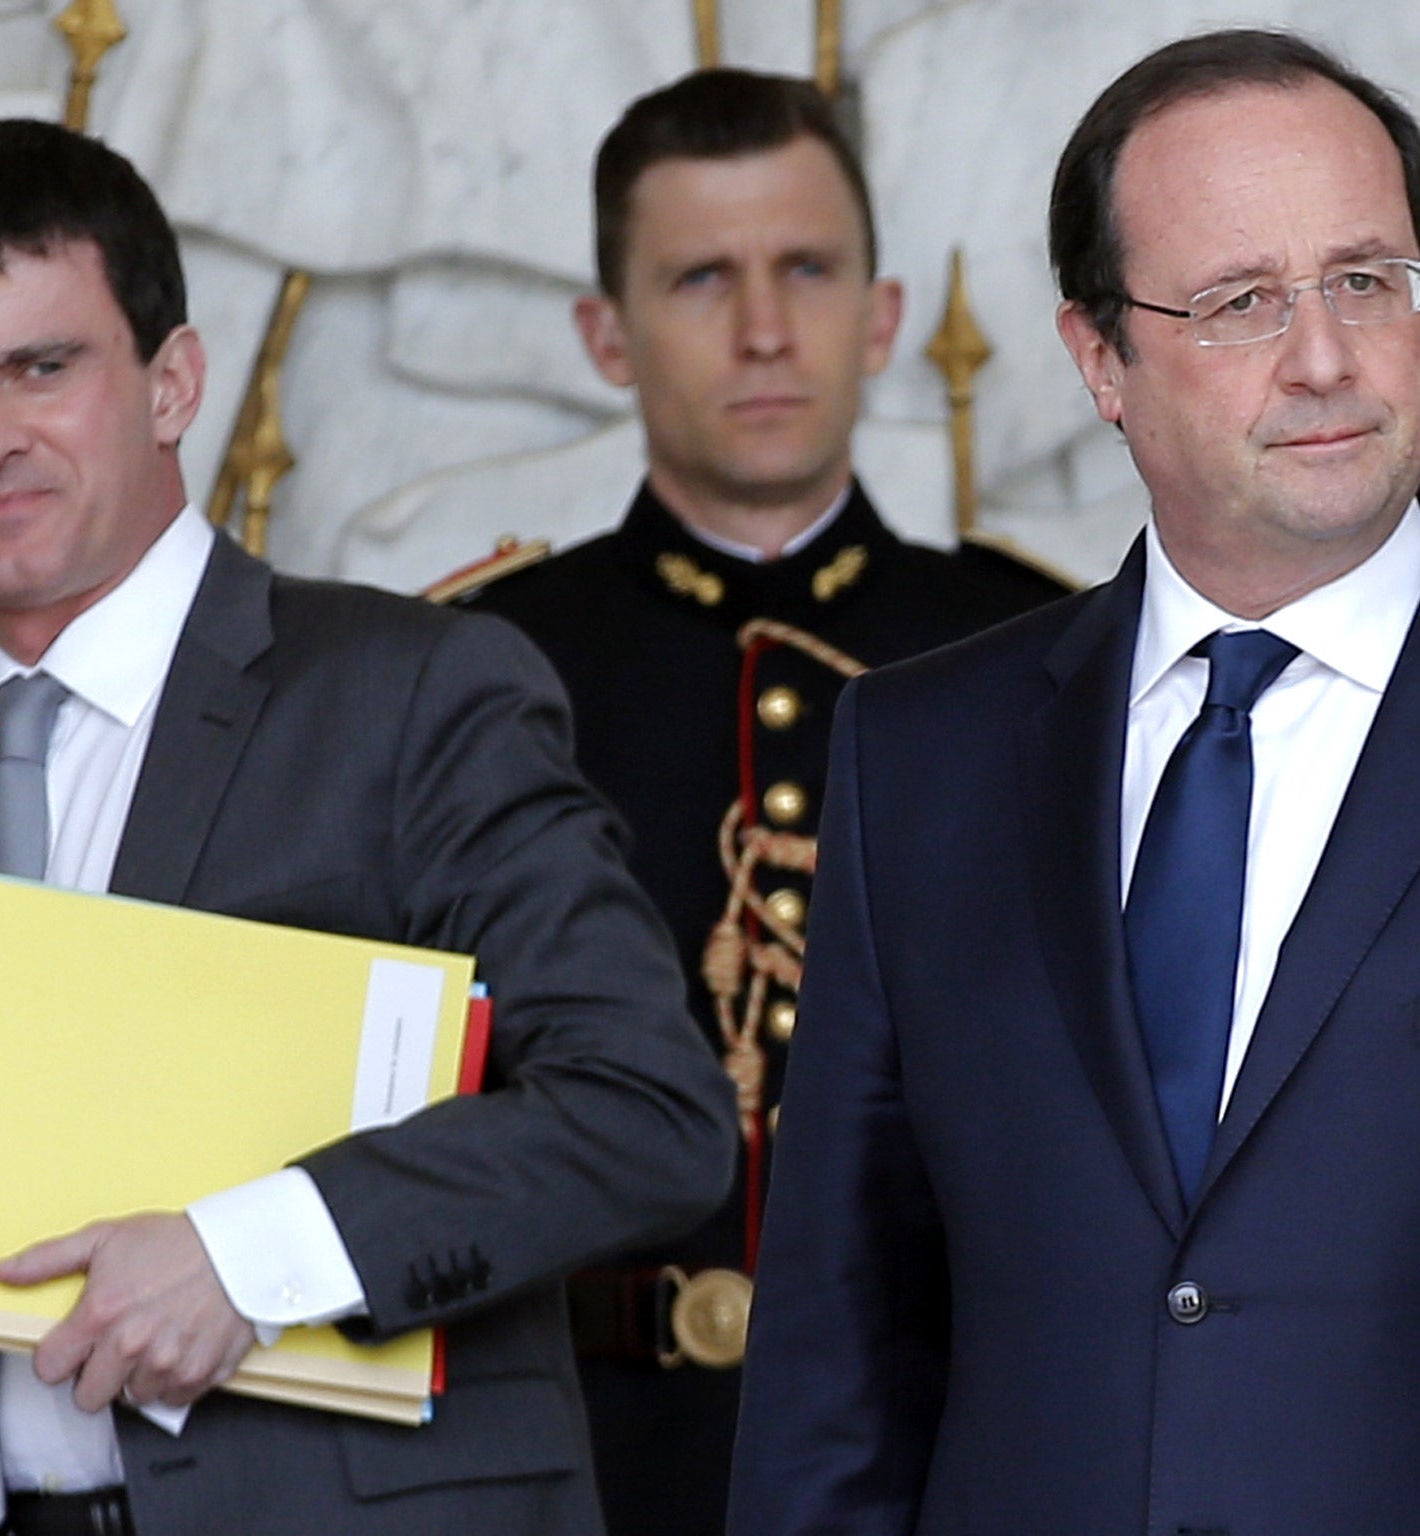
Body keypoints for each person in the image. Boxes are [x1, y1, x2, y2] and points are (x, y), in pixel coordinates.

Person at [727, 29, 1420, 1536]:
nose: (1326, 357)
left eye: (1369, 281)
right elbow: (834, 1360)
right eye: (1244, 301)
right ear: (1098, 359)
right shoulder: (918, 758)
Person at [0, 117, 738, 1536]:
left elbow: (649, 1115)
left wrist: (254, 1259)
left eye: (42, 367)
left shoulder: (413, 692)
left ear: (174, 382)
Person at [439, 68, 1068, 1536]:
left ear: (885, 313)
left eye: (806, 269)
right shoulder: (477, 674)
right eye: (701, 279)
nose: (767, 328)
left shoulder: (1048, 662)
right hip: (575, 1468)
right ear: (608, 333)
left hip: (961, 1464)